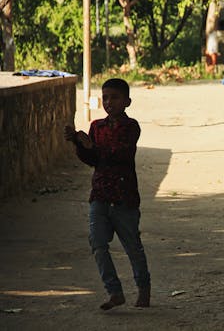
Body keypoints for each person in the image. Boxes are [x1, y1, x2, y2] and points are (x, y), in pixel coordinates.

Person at [64, 78, 151, 310]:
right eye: (106, 98)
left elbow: (121, 154)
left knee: (132, 246)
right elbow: (93, 160)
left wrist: (92, 147)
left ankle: (143, 288)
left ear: (127, 101)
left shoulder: (131, 127)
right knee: (98, 244)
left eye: (115, 97)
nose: (109, 102)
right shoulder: (97, 127)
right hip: (100, 194)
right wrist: (78, 144)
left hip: (124, 197)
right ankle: (114, 291)